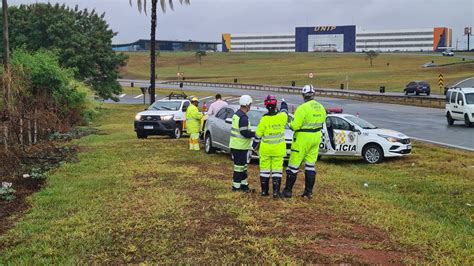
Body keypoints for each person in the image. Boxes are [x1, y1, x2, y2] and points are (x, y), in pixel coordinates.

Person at [282, 85, 327, 199]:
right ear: (313, 94)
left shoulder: (302, 108)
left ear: (303, 95)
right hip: (316, 137)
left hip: (302, 138)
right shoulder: (321, 107)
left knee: (293, 166)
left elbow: (295, 126)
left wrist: (289, 123)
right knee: (311, 166)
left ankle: (287, 191)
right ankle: (308, 192)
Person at [252, 95, 288, 197]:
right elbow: (285, 110)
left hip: (265, 149)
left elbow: (258, 135)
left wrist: (253, 147)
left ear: (266, 106)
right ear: (275, 104)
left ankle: (264, 191)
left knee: (264, 170)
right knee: (277, 170)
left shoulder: (264, 119)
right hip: (278, 149)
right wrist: (283, 103)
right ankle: (276, 192)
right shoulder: (281, 117)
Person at [229, 95, 255, 192]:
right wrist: (254, 134)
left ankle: (244, 185)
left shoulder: (237, 114)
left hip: (237, 145)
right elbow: (244, 132)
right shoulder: (243, 117)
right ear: (247, 105)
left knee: (243, 167)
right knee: (239, 168)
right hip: (240, 146)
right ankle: (236, 187)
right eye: (250, 104)